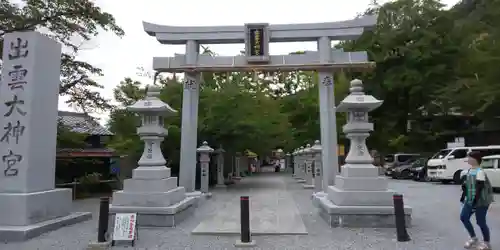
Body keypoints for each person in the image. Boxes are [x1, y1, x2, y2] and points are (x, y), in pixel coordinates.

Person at [460, 151, 494, 250]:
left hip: (481, 200)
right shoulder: (470, 170)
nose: (468, 159)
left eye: (470, 157)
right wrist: (463, 196)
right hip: (470, 199)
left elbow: (479, 188)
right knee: (463, 217)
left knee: (480, 221)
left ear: (475, 159)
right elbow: (467, 186)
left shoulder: (480, 172)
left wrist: (475, 202)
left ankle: (487, 242)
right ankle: (473, 238)